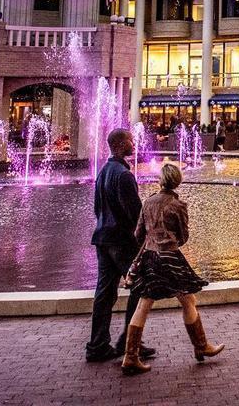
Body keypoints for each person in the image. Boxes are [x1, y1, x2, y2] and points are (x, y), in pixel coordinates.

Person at [120, 162, 223, 375]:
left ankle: (131, 356)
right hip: (170, 257)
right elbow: (184, 236)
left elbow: (137, 234)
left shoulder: (148, 202)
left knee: (145, 304)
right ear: (177, 181)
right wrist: (171, 242)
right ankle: (201, 345)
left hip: (149, 257)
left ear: (161, 180)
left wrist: (151, 243)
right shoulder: (178, 206)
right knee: (187, 299)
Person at [87, 128, 153, 365]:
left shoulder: (103, 171)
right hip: (121, 242)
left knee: (104, 294)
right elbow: (136, 215)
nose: (133, 143)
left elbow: (97, 208)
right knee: (141, 285)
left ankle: (97, 345)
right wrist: (143, 240)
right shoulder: (124, 175)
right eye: (130, 140)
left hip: (102, 239)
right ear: (120, 144)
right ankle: (130, 341)